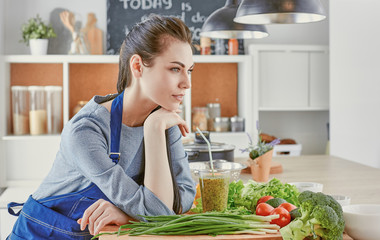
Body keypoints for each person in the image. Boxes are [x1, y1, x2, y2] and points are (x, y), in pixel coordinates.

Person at [7, 15, 196, 239]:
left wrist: (129, 214)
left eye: (190, 70)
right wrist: (141, 210)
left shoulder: (163, 120)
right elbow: (163, 213)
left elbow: (184, 195)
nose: (187, 83)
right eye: (175, 69)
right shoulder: (86, 130)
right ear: (137, 66)